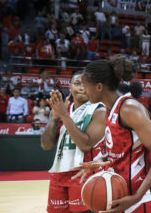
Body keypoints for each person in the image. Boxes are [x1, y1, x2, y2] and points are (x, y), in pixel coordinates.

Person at [71, 57, 151, 212]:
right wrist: (101, 161)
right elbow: (124, 151)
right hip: (122, 193)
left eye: (85, 86)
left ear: (98, 87)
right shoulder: (109, 109)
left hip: (140, 199)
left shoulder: (129, 109)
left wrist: (136, 196)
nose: (83, 91)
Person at [41, 73, 106, 213]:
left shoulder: (99, 110)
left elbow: (85, 145)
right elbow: (46, 145)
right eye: (77, 84)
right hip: (59, 173)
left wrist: (63, 115)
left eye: (86, 84)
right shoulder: (61, 109)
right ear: (70, 88)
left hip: (83, 173)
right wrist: (55, 118)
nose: (82, 87)